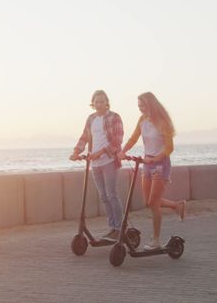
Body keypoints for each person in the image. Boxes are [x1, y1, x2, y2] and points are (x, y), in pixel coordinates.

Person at [118, 92, 186, 250]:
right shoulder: (142, 120)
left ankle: (155, 241)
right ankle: (177, 205)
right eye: (139, 106)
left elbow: (169, 147)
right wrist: (123, 151)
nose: (141, 109)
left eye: (143, 105)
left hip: (160, 163)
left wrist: (155, 159)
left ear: (151, 105)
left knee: (154, 204)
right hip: (146, 163)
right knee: (149, 202)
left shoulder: (162, 122)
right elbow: (134, 138)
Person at [69, 90, 124, 241]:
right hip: (95, 163)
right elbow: (84, 137)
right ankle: (112, 227)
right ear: (93, 104)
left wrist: (100, 153)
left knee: (112, 194)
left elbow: (117, 141)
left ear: (107, 102)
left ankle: (119, 228)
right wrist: (76, 152)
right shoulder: (91, 118)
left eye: (102, 101)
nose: (99, 104)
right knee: (104, 196)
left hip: (109, 161)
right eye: (96, 101)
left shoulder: (114, 117)